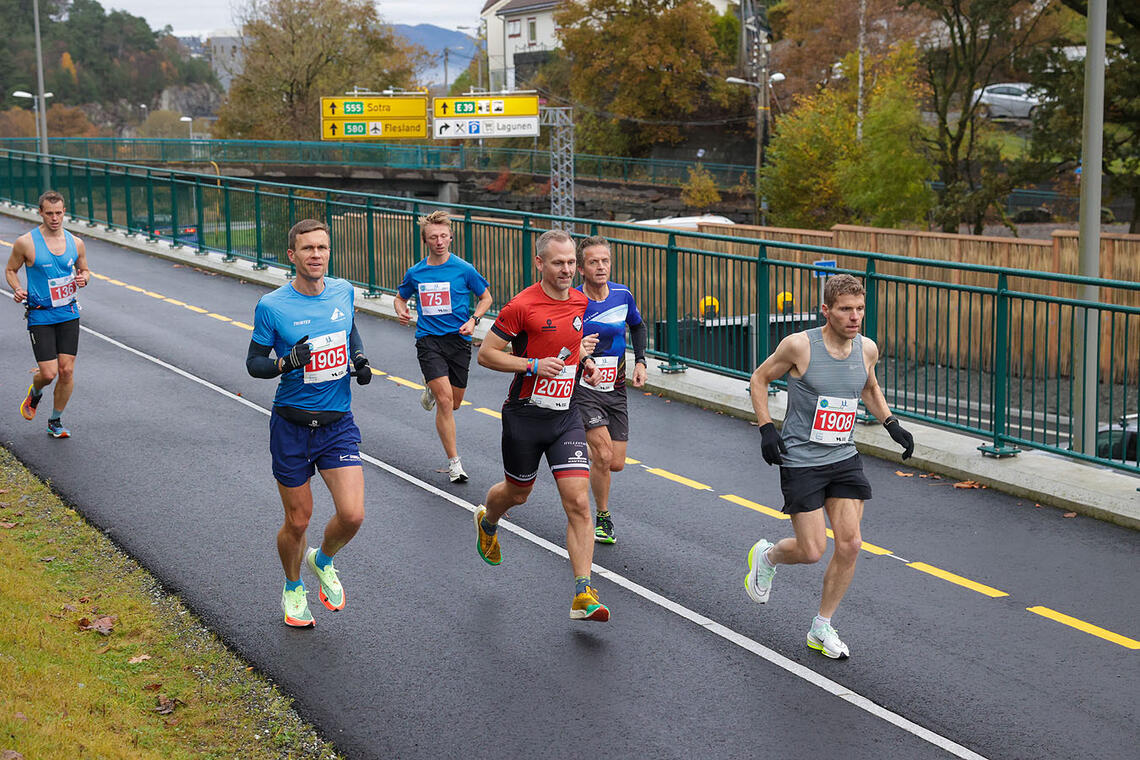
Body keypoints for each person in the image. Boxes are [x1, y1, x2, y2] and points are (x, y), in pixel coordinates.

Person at [744, 273, 914, 659]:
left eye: (859, 309)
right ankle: (767, 556)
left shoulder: (866, 349)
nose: (854, 317)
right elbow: (759, 379)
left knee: (851, 543)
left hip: (843, 456)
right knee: (812, 550)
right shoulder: (800, 346)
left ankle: (822, 626)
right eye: (845, 310)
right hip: (801, 460)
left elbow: (869, 387)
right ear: (826, 310)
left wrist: (891, 424)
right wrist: (767, 428)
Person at [473, 228, 609, 622]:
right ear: (540, 263)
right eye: (558, 263)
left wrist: (583, 363)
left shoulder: (581, 301)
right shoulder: (521, 306)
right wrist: (532, 365)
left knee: (579, 502)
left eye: (571, 262)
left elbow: (567, 347)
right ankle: (489, 518)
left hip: (565, 416)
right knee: (517, 494)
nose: (567, 270)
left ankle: (583, 592)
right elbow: (486, 354)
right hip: (525, 416)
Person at [246, 219, 373, 628]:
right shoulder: (272, 306)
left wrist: (359, 358)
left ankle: (323, 558)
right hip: (292, 426)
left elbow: (348, 328)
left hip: (337, 424)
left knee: (352, 515)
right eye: (307, 249)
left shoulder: (343, 291)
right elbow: (254, 364)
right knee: (298, 520)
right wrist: (286, 362)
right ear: (292, 256)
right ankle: (293, 586)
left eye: (322, 247)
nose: (315, 255)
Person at [394, 210, 492, 483]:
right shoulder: (416, 272)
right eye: (433, 237)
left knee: (455, 402)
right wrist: (401, 311)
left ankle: (432, 387)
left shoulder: (464, 269)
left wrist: (474, 320)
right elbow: (400, 298)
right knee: (446, 402)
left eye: (443, 236)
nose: (439, 241)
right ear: (425, 240)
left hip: (458, 339)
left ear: (451, 237)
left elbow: (486, 298)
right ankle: (454, 463)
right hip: (428, 340)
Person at [573, 236, 648, 544]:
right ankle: (602, 518)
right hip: (583, 386)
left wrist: (640, 362)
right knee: (603, 455)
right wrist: (578, 349)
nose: (600, 267)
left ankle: (580, 455)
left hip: (615, 386)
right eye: (593, 262)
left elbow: (638, 326)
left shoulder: (622, 294)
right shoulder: (574, 300)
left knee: (615, 462)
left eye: (604, 261)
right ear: (581, 269)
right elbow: (560, 338)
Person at [5, 190, 90, 438]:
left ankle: (55, 420)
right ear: (40, 213)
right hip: (40, 315)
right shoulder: (26, 242)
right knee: (49, 373)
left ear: (64, 212)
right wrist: (18, 288)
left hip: (68, 312)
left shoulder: (76, 243)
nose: (54, 218)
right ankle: (35, 393)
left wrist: (84, 277)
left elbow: (85, 269)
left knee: (66, 370)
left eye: (59, 213)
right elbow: (11, 270)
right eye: (49, 213)